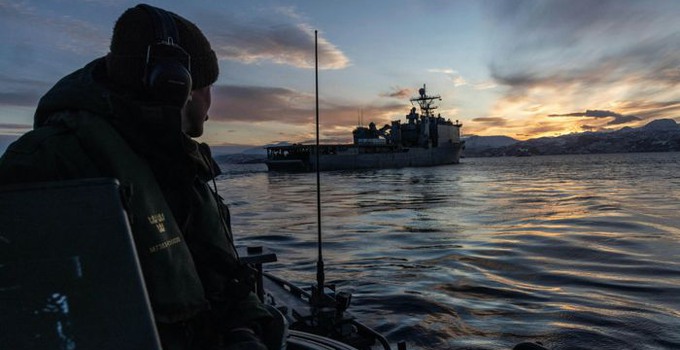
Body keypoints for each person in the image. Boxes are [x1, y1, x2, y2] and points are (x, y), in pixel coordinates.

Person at [0, 4, 273, 350]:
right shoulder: (47, 163)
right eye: (207, 85)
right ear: (176, 85)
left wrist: (244, 329)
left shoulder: (175, 164)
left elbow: (217, 274)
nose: (210, 101)